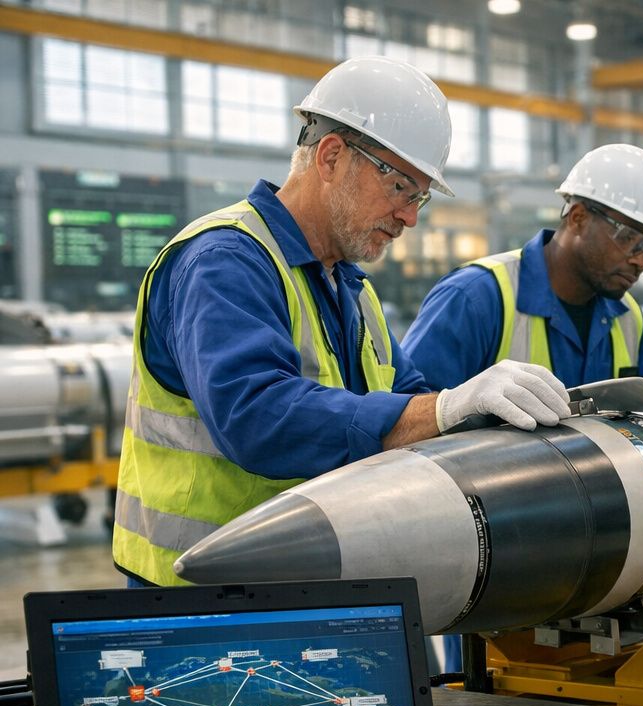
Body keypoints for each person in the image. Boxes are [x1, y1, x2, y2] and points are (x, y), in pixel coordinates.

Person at [113, 56, 571, 587]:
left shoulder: (350, 288)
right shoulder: (224, 261)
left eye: (419, 196)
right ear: (331, 157)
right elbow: (257, 418)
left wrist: (482, 419)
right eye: (401, 188)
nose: (410, 217)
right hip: (208, 606)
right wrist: (445, 408)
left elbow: (410, 399)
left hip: (310, 587)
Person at [403, 144, 643, 399]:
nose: (640, 261)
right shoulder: (475, 300)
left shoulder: (626, 315)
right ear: (578, 219)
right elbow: (408, 416)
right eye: (628, 239)